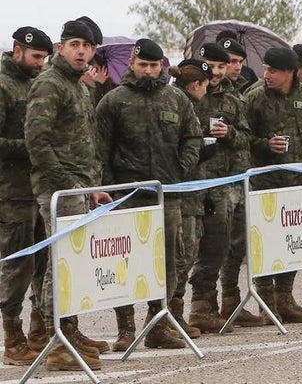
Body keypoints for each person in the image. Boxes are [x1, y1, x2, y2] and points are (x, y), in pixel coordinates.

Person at [96, 39, 201, 351]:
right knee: (124, 264)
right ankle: (125, 329)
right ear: (132, 64)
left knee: (169, 261)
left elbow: (192, 137)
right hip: (126, 196)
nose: (148, 71)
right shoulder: (114, 101)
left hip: (167, 194)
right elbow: (101, 148)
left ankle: (157, 324)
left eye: (154, 66)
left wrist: (180, 169)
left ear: (162, 67)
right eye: (143, 65)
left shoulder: (177, 100)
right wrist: (112, 188)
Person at [24, 20, 111, 371]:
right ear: (61, 48)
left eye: (86, 46)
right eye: (74, 44)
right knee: (59, 263)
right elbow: (37, 141)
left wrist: (92, 187)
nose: (80, 51)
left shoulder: (81, 87)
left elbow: (85, 142)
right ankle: (55, 338)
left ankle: (68, 329)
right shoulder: (50, 84)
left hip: (79, 188)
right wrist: (68, 184)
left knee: (73, 262)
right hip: (57, 189)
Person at [245, 47, 302, 322]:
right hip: (265, 182)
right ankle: (266, 302)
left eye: (272, 70)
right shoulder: (255, 97)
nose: (266, 75)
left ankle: (285, 297)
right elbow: (242, 138)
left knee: (293, 242)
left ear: (289, 73)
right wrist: (265, 145)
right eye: (265, 69)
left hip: (297, 183)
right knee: (265, 243)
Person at [195, 42, 260, 330]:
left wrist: (229, 132)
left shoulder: (233, 100)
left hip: (230, 182)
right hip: (200, 182)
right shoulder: (189, 94)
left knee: (231, 245)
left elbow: (246, 136)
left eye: (223, 66)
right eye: (214, 65)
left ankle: (227, 303)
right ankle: (201, 305)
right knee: (207, 247)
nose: (218, 72)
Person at [0, 26, 53, 366]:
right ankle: (12, 336)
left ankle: (39, 330)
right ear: (18, 51)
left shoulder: (35, 84)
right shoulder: (3, 86)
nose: (40, 64)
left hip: (38, 190)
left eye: (44, 59)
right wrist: (32, 149)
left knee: (43, 263)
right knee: (18, 266)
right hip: (11, 193)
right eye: (36, 57)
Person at [166, 60, 216, 339]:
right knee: (180, 258)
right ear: (196, 85)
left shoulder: (187, 105)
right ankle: (170, 316)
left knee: (187, 255)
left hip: (193, 192)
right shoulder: (178, 104)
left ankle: (176, 314)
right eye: (205, 86)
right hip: (180, 192)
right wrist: (199, 152)